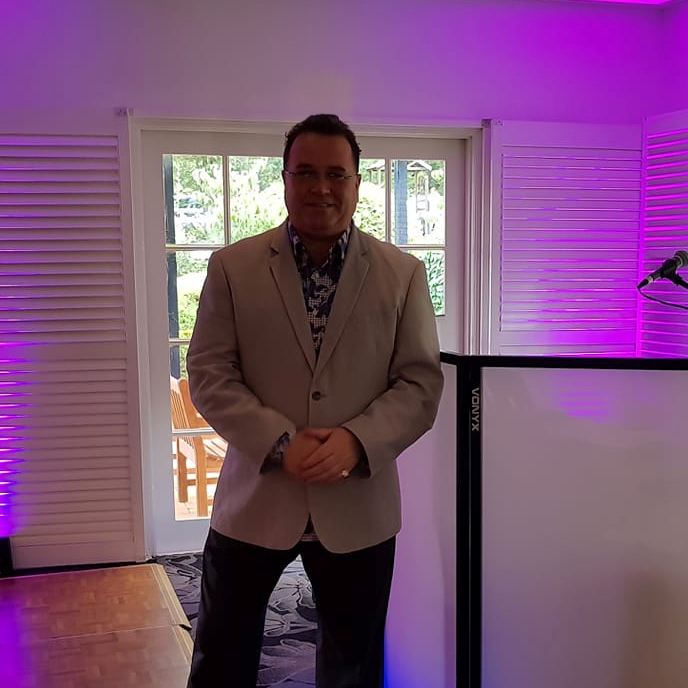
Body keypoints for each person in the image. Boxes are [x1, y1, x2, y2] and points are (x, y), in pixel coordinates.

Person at [185, 113, 443, 688]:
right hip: (255, 500)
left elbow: (420, 384)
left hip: (359, 505)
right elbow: (208, 372)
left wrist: (357, 441)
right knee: (221, 657)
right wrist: (278, 441)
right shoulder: (233, 268)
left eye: (335, 174)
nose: (320, 187)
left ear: (356, 182)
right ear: (284, 179)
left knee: (354, 665)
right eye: (305, 172)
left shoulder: (402, 274)